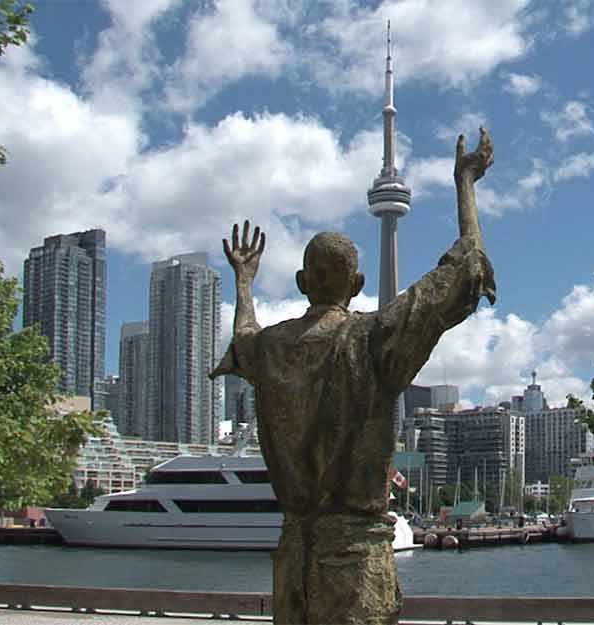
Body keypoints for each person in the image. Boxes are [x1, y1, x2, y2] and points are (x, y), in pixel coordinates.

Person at [210, 128, 496, 625]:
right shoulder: (374, 340)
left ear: (302, 283)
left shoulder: (272, 349)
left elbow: (244, 337)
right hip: (355, 567)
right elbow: (463, 269)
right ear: (359, 284)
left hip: (293, 561)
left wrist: (244, 281)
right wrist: (464, 184)